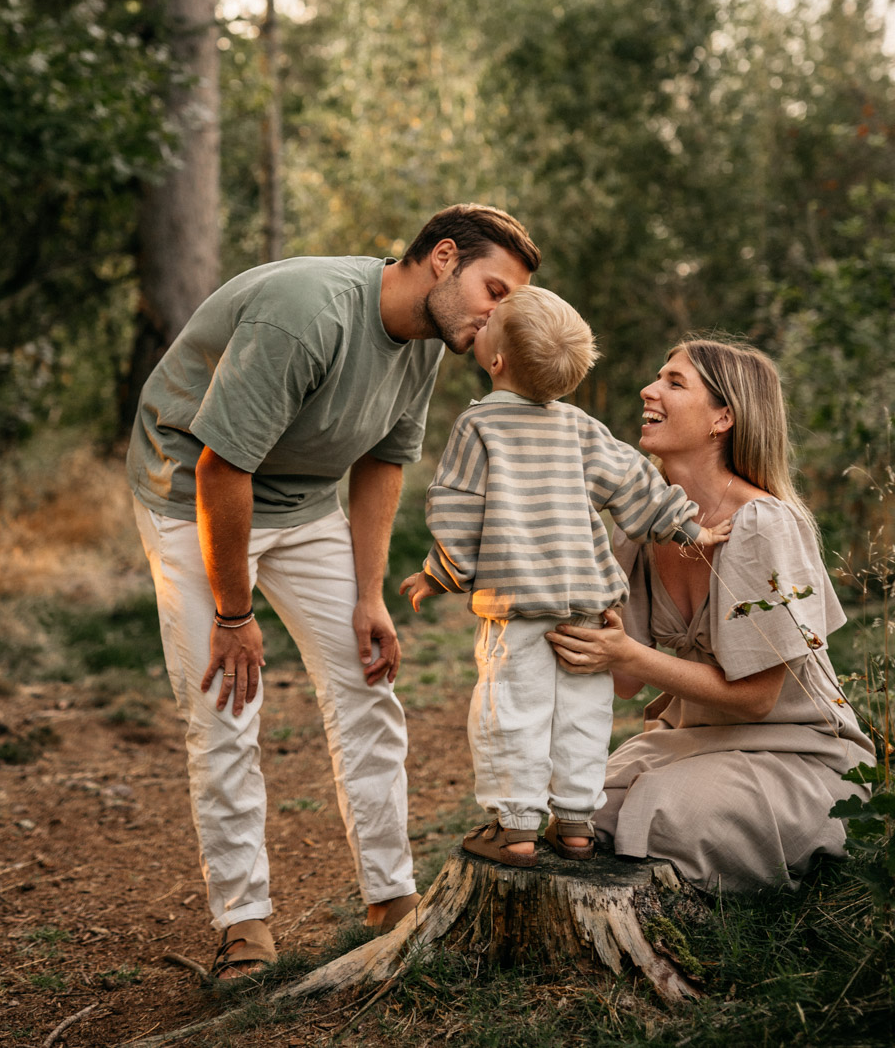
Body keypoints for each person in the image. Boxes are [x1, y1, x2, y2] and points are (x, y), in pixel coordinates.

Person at [126, 204, 540, 980]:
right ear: (443, 258)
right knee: (224, 704)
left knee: (366, 683)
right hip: (193, 492)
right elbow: (223, 467)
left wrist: (368, 595)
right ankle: (243, 922)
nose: (497, 316)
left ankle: (390, 898)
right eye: (495, 289)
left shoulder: (430, 340)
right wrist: (233, 613)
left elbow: (383, 463)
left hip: (305, 498)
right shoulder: (308, 315)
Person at [399, 288, 732, 867]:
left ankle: (517, 828)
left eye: (489, 326)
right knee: (581, 711)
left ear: (496, 360)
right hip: (587, 608)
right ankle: (576, 822)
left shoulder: (479, 426)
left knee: (511, 709)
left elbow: (456, 508)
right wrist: (688, 527)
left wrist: (440, 573)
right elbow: (634, 483)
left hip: (518, 606)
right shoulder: (580, 428)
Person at [547, 336, 874, 892]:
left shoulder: (763, 524)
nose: (649, 390)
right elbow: (626, 680)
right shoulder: (641, 527)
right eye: (658, 376)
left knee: (666, 816)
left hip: (797, 751)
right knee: (577, 813)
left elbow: (757, 697)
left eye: (675, 383)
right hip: (696, 741)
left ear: (723, 417)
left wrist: (627, 652)